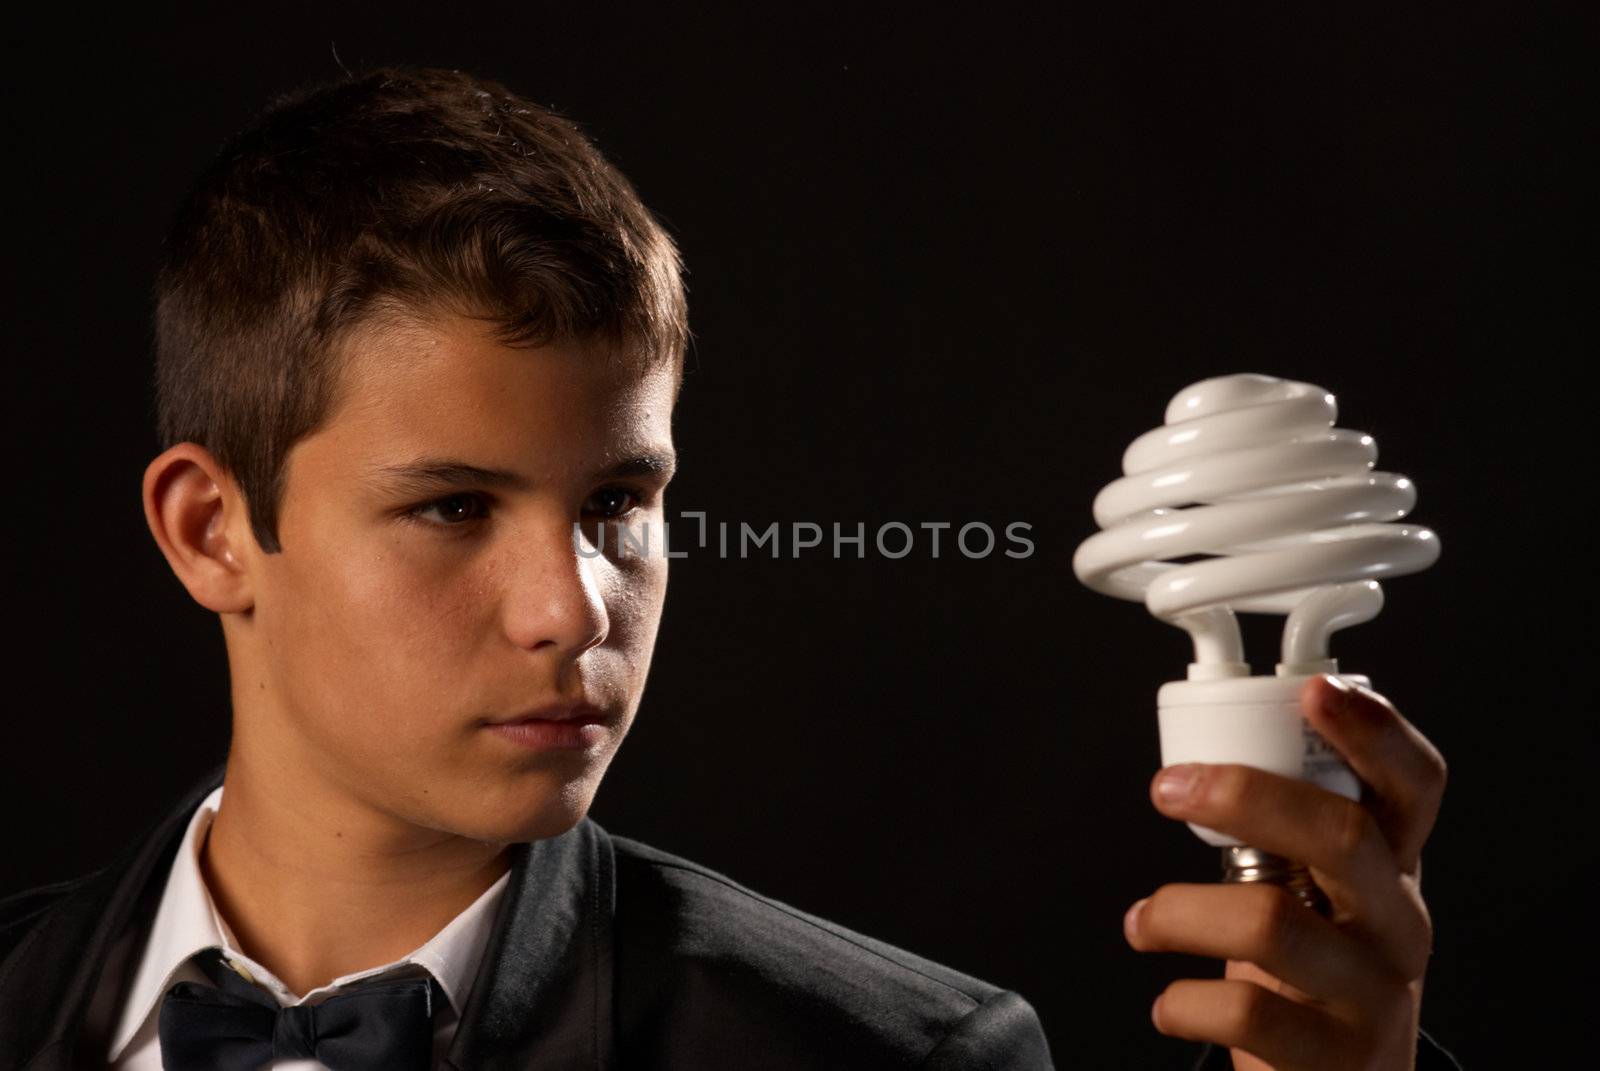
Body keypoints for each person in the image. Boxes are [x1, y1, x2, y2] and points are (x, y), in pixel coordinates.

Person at [0, 66, 1458, 1070]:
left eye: (620, 502)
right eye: (451, 507)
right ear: (209, 532)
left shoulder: (896, 1061)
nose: (572, 609)